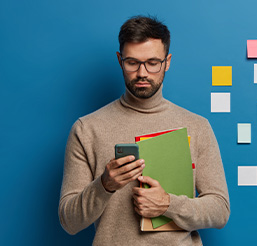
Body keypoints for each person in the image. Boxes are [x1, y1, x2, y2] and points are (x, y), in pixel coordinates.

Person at [58, 16, 230, 245]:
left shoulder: (197, 126)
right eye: (132, 62)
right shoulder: (86, 129)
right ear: (120, 60)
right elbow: (69, 222)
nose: (142, 73)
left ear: (167, 62)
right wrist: (104, 186)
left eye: (152, 62)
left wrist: (168, 204)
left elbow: (220, 210)